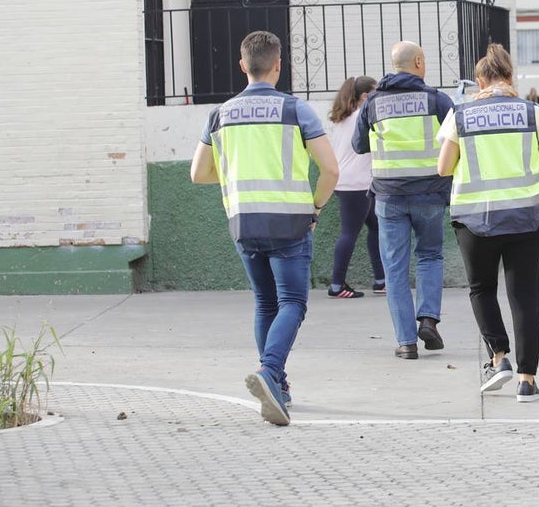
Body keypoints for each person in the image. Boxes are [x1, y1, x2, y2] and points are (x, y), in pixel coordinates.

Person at [189, 30, 339, 426]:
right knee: (293, 303)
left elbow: (198, 173)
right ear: (278, 64)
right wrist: (317, 207)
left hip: (243, 221)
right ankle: (270, 372)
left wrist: (237, 175)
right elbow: (330, 169)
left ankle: (280, 387)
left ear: (243, 66)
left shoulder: (219, 114)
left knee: (265, 304)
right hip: (290, 221)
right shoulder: (296, 110)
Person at [437, 44, 539, 402]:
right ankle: (527, 380)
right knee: (524, 297)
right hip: (525, 218)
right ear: (510, 76)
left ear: (481, 79)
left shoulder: (461, 114)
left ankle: (499, 358)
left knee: (481, 289)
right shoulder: (531, 112)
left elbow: (443, 168)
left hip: (475, 220)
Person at [353, 40, 453, 359]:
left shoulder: (373, 103)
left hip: (389, 196)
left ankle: (407, 342)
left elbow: (358, 145)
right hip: (431, 194)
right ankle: (428, 320)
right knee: (430, 255)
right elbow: (456, 140)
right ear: (419, 62)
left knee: (394, 268)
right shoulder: (438, 100)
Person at [326, 76, 385, 298]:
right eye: (375, 94)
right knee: (349, 233)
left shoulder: (343, 118)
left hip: (350, 182)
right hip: (356, 184)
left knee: (376, 227)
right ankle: (336, 285)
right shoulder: (362, 116)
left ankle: (381, 281)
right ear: (364, 97)